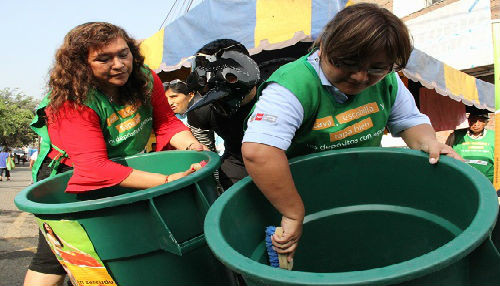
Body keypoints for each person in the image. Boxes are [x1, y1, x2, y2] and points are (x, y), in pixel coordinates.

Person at [241, 3, 462, 263]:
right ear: (324, 46)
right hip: (297, 198)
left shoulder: (388, 80)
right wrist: (292, 213)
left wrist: (428, 142)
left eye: (376, 68)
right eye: (347, 62)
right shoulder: (293, 86)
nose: (360, 77)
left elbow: (409, 120)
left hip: (360, 193)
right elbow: (259, 152)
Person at [24, 22, 207, 286]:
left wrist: (193, 150)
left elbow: (165, 122)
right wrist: (166, 182)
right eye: (104, 59)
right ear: (81, 65)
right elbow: (94, 168)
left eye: (123, 54)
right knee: (61, 253)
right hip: (69, 175)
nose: (119, 64)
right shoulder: (71, 101)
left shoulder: (144, 78)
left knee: (128, 240)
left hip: (120, 166)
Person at [186, 39, 260, 190]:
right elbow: (207, 156)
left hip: (289, 157)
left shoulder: (278, 94)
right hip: (238, 163)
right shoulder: (200, 112)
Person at [446, 108, 494, 182]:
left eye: (480, 120)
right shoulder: (456, 135)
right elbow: (446, 153)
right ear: (468, 121)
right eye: (473, 120)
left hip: (487, 181)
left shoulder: (494, 136)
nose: (476, 124)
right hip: (461, 179)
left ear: (485, 122)